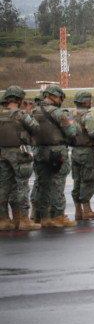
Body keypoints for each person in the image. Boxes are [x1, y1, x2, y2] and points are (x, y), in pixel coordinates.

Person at [31, 84, 78, 228]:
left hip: (39, 151)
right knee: (57, 183)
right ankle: (58, 216)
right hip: (56, 152)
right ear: (55, 97)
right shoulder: (58, 113)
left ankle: (42, 216)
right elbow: (71, 132)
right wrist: (73, 123)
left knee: (41, 184)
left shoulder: (33, 112)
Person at [0, 86, 40, 231]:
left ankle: (3, 219)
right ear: (19, 99)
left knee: (3, 186)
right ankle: (23, 219)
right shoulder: (19, 114)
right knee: (22, 185)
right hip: (19, 153)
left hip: (2, 153)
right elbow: (35, 128)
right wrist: (28, 111)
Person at [70, 90, 94, 220]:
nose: (91, 102)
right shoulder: (87, 116)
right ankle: (87, 210)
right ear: (85, 101)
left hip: (75, 151)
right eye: (89, 99)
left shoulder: (71, 115)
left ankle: (78, 210)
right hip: (87, 150)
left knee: (77, 180)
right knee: (88, 179)